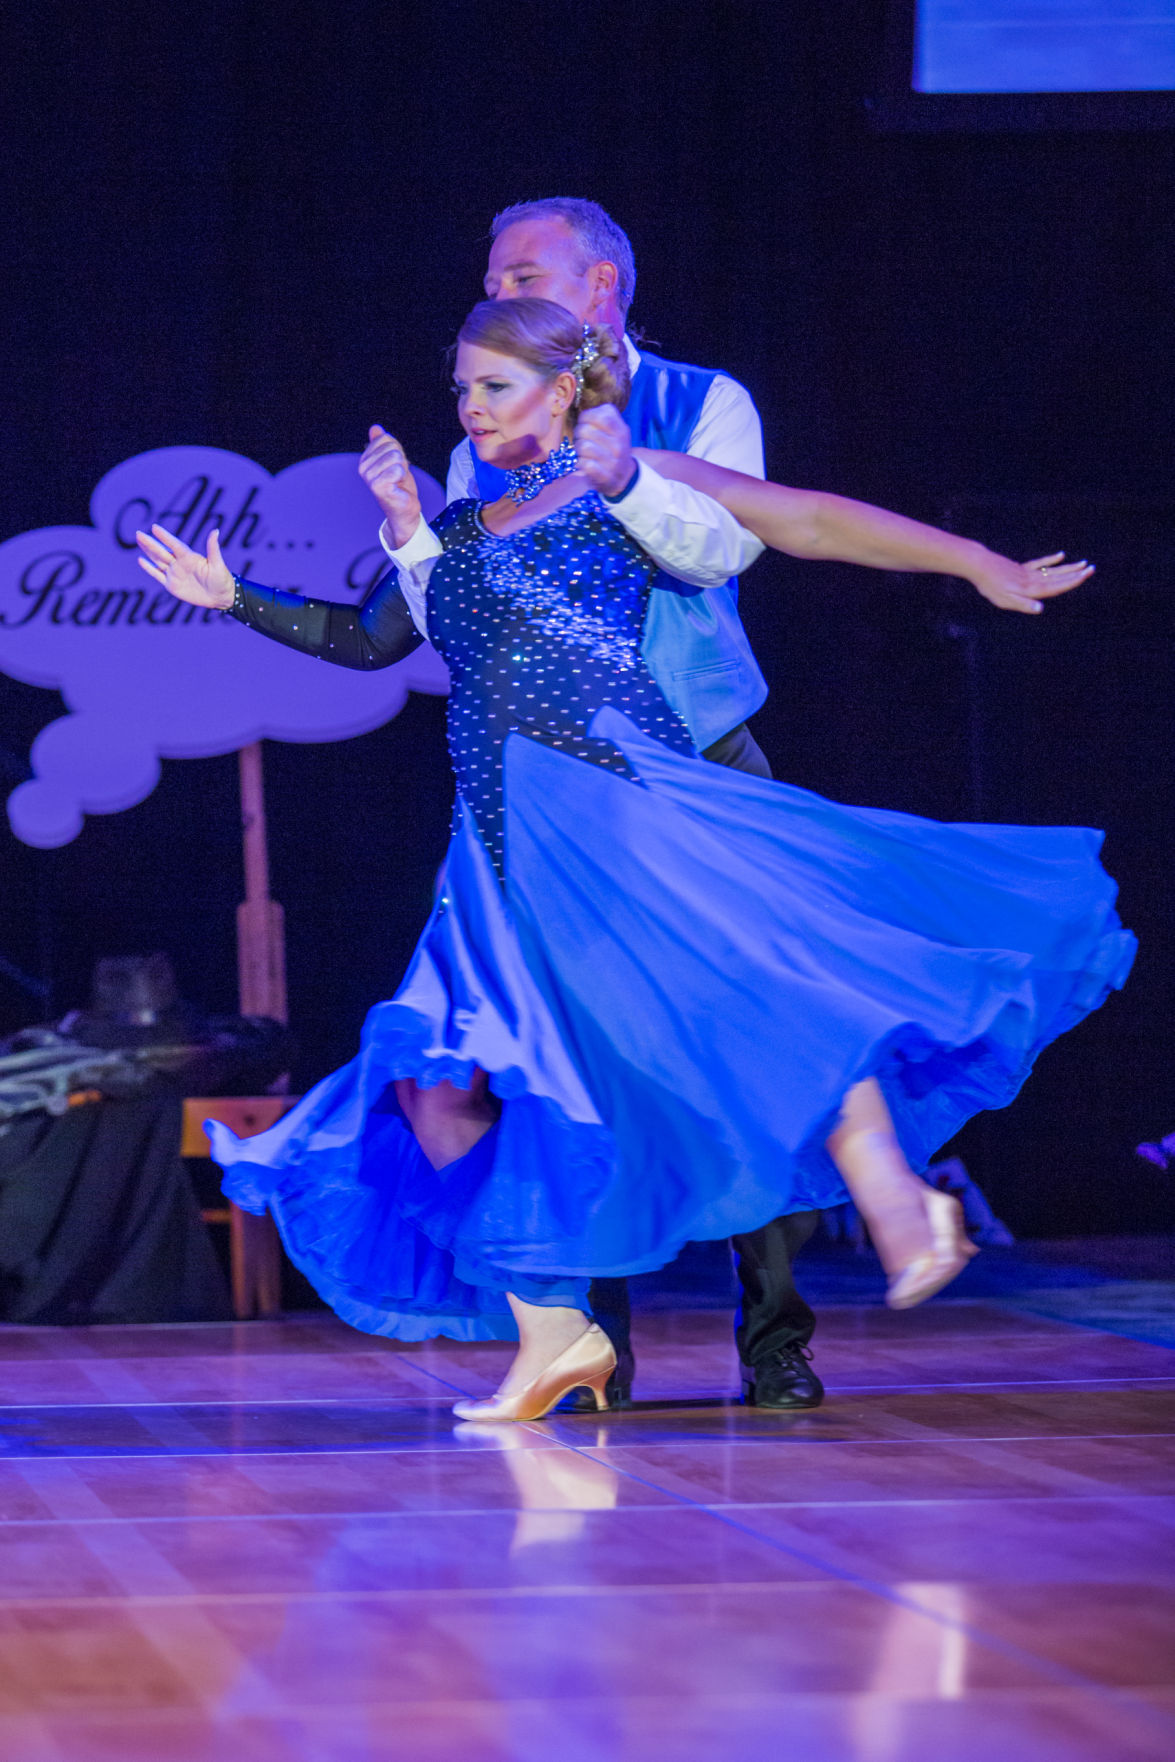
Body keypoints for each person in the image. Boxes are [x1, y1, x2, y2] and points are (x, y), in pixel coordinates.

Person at [135, 297, 1133, 1424]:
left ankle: (897, 1202)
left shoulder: (621, 475)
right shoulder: (460, 523)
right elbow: (368, 641)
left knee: (741, 993)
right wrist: (239, 599)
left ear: (564, 388)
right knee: (436, 1079)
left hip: (612, 795)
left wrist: (971, 561)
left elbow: (799, 516)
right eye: (460, 389)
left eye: (494, 387)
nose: (469, 407)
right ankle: (557, 1331)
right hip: (500, 841)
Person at [372, 196, 816, 1413]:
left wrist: (614, 467)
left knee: (733, 1032)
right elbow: (465, 596)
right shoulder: (487, 421)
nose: (499, 284)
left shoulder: (702, 402)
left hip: (699, 750)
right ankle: (589, 1335)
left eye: (525, 268)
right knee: (553, 1051)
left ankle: (775, 1340)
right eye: (491, 268)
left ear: (603, 284)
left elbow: (720, 544)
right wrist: (416, 546)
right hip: (556, 774)